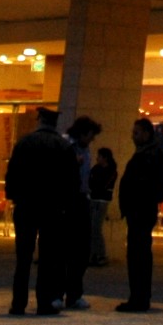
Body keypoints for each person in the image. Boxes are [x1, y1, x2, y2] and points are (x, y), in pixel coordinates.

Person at [3, 108, 79, 315]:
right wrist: (66, 206)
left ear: (40, 121)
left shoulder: (24, 143)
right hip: (52, 209)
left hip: (26, 206)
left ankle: (18, 303)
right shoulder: (63, 146)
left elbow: (12, 174)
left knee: (23, 257)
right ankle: (44, 302)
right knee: (48, 258)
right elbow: (72, 182)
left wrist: (14, 197)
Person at [115, 118, 163, 312]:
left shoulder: (149, 155)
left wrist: (134, 202)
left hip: (140, 211)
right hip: (140, 210)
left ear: (146, 133)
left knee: (138, 254)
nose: (133, 137)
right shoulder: (148, 154)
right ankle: (139, 295)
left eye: (136, 133)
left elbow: (147, 184)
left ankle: (139, 297)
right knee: (139, 253)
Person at [61, 117, 101, 308]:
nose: (92, 140)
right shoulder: (67, 147)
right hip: (69, 200)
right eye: (91, 136)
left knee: (81, 250)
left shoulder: (85, 149)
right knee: (66, 248)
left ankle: (74, 293)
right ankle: (60, 292)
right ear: (83, 133)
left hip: (82, 198)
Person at [87, 145, 118, 267]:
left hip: (102, 200)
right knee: (91, 228)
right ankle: (93, 254)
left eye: (99, 156)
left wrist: (95, 186)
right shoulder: (95, 169)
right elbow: (91, 182)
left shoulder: (111, 171)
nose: (97, 158)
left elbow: (103, 185)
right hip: (93, 199)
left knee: (96, 228)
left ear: (105, 158)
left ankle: (101, 254)